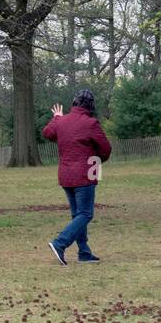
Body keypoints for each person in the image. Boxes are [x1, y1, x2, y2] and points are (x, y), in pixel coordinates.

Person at [43, 89, 112, 265]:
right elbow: (106, 149)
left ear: (74, 102)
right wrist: (96, 161)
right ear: (91, 106)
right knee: (86, 213)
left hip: (65, 175)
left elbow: (47, 133)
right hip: (85, 173)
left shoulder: (61, 121)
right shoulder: (91, 123)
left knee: (77, 215)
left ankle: (84, 253)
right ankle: (60, 243)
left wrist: (56, 117)